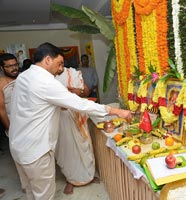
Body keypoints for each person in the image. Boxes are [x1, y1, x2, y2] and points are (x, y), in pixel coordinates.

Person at [8, 42, 131, 200]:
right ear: (47, 60)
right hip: (35, 150)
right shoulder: (45, 82)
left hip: (18, 146)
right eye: (59, 63)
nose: (60, 69)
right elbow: (80, 104)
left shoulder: (24, 76)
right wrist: (117, 111)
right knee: (44, 195)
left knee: (31, 191)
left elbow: (30, 107)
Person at [55, 66, 97, 194]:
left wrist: (77, 91)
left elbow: (87, 92)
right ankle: (71, 179)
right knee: (68, 150)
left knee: (84, 147)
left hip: (78, 115)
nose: (60, 66)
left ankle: (89, 176)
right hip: (61, 118)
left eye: (62, 62)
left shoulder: (72, 73)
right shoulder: (48, 78)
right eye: (58, 63)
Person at [0, 53, 20, 198]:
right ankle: (26, 183)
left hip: (29, 123)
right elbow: (1, 109)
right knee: (19, 157)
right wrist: (9, 128)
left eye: (15, 65)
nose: (13, 68)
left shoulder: (23, 78)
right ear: (2, 68)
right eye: (9, 66)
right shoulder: (1, 83)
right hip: (13, 126)